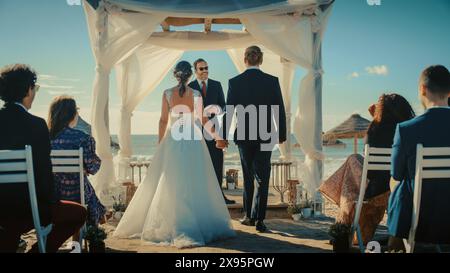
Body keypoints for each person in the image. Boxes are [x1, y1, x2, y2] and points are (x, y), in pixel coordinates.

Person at [113, 61, 235, 248]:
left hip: (173, 140)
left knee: (171, 181)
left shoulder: (167, 94)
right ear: (190, 76)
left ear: (175, 75)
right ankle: (194, 222)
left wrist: (161, 143)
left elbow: (163, 121)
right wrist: (218, 137)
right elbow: (203, 120)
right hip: (193, 140)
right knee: (195, 180)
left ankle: (174, 222)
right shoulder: (195, 94)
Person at [0, 64, 86, 252]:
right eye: (35, 88)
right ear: (28, 90)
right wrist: (48, 203)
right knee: (79, 213)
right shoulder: (37, 125)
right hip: (29, 210)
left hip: (1, 210)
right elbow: (44, 175)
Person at [319, 93, 415, 245]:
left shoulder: (374, 130)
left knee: (352, 161)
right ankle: (345, 218)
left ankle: (342, 225)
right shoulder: (410, 131)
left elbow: (370, 172)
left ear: (381, 111)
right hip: (405, 187)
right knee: (352, 164)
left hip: (376, 191)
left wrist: (374, 120)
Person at [220, 46, 287, 233]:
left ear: (245, 59)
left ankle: (249, 216)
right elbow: (279, 109)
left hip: (244, 136)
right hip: (266, 135)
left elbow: (229, 111)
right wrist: (281, 134)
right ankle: (259, 220)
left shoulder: (235, 82)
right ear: (261, 59)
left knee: (248, 176)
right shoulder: (271, 81)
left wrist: (223, 136)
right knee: (262, 177)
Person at [388, 65, 450, 251]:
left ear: (422, 89)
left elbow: (397, 174)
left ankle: (397, 240)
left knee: (398, 183)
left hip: (422, 218)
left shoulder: (406, 129)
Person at [47, 95, 106, 226]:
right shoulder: (83, 138)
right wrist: (86, 167)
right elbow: (93, 168)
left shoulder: (44, 138)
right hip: (77, 193)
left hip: (52, 193)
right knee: (85, 186)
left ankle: (101, 215)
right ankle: (98, 219)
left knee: (85, 185)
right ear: (73, 115)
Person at [188, 58, 235, 205]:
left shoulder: (216, 85)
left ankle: (219, 196)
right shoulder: (190, 87)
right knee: (198, 165)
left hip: (214, 131)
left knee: (217, 164)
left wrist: (217, 109)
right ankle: (200, 197)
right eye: (201, 69)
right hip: (195, 132)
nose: (205, 71)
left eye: (206, 68)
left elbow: (223, 106)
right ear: (195, 71)